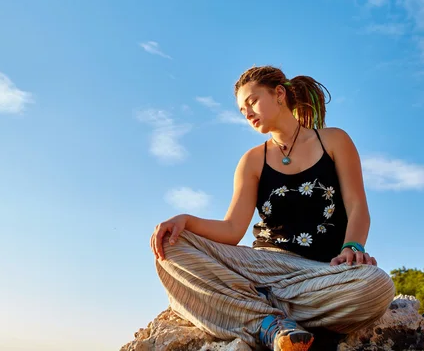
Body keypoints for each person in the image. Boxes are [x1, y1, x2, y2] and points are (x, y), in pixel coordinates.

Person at [150, 66, 395, 351]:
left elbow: (357, 205)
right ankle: (268, 323)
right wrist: (186, 220)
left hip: (320, 274)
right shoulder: (252, 161)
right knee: (170, 246)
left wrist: (353, 246)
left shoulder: (334, 140)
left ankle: (250, 306)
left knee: (377, 284)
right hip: (263, 266)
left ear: (279, 94)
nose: (247, 113)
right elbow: (231, 230)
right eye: (242, 110)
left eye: (252, 102)